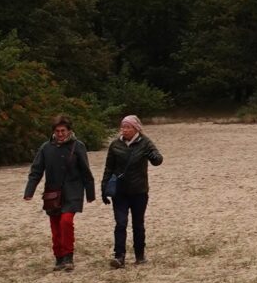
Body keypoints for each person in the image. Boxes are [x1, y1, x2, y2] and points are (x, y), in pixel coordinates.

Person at [23, 115, 96, 271]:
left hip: (73, 192)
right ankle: (59, 257)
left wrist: (90, 194)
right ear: (53, 131)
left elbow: (85, 171)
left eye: (63, 130)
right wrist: (29, 191)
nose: (60, 134)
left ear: (69, 131)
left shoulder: (78, 146)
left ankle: (68, 256)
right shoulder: (45, 148)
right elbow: (36, 171)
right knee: (55, 227)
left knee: (66, 222)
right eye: (57, 131)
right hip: (53, 193)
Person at [101, 114, 163, 269]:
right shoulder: (115, 145)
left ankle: (140, 255)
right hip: (120, 192)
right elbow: (108, 168)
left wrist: (153, 156)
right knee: (120, 223)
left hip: (139, 191)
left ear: (136, 128)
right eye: (123, 127)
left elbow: (158, 160)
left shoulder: (145, 143)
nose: (124, 130)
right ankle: (119, 256)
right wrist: (104, 188)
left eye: (128, 127)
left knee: (138, 224)